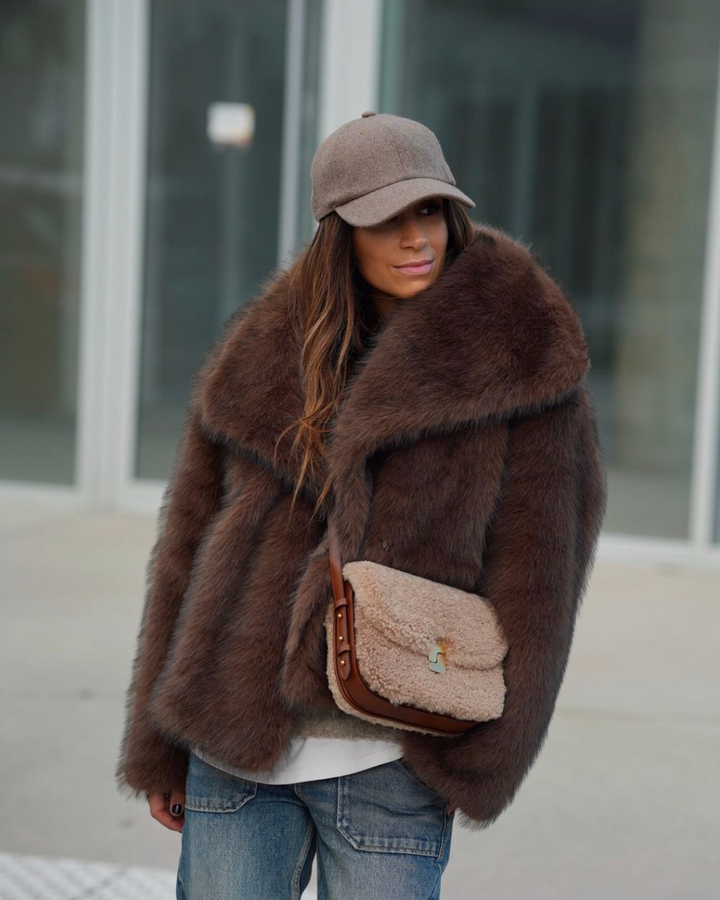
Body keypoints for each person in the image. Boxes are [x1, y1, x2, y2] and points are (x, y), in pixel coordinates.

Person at [116, 112, 607, 899]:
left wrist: (483, 758)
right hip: (235, 746)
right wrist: (157, 741)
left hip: (393, 760)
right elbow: (187, 548)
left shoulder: (521, 363)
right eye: (386, 218)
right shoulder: (265, 355)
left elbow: (541, 575)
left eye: (429, 211)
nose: (417, 238)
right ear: (339, 230)